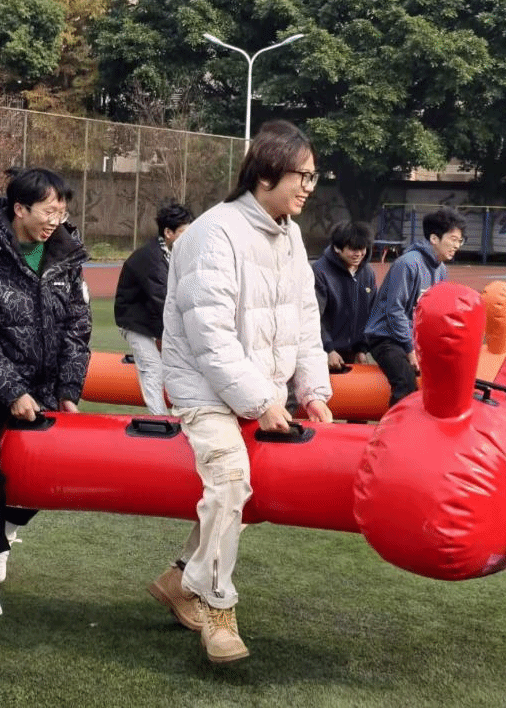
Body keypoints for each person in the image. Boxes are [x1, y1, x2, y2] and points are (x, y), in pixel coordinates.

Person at [148, 120, 333, 664]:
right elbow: (210, 336)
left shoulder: (289, 234)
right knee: (231, 479)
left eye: (313, 177)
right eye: (302, 176)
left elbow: (305, 320)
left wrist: (312, 391)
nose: (308, 187)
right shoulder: (214, 233)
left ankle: (179, 577)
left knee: (243, 494)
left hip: (255, 388)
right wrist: (261, 401)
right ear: (267, 174)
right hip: (203, 390)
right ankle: (217, 609)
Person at [0, 167, 92, 622]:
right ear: (19, 209)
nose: (55, 221)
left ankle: (6, 531)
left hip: (44, 384)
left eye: (61, 212)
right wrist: (10, 389)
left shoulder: (65, 254)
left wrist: (68, 388)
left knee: (50, 470)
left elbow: (78, 325)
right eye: (48, 212)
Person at [363, 207, 466, 406]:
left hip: (413, 338)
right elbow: (394, 311)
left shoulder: (441, 270)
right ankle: (396, 426)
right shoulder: (408, 264)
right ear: (434, 238)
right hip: (386, 337)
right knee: (406, 381)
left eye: (460, 241)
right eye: (453, 239)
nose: (457, 246)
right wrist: (410, 349)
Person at [113, 201, 195, 414]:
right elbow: (162, 299)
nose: (190, 237)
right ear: (168, 232)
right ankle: (159, 418)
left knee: (176, 365)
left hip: (153, 321)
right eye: (185, 232)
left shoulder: (170, 253)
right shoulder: (151, 258)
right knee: (152, 368)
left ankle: (183, 410)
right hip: (136, 323)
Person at [312, 220, 378, 372]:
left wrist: (362, 348)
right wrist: (328, 349)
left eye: (362, 249)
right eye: (352, 249)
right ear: (337, 248)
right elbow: (313, 315)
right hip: (324, 351)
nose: (358, 254)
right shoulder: (320, 272)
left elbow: (372, 312)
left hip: (353, 352)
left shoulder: (367, 273)